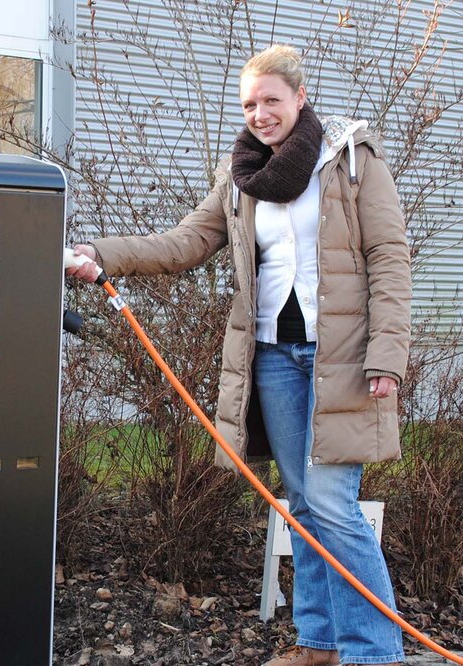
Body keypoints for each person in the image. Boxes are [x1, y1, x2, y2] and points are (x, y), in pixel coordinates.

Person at [68, 44, 409, 666]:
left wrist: (387, 354)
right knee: (301, 504)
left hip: (345, 358)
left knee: (334, 505)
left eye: (271, 100)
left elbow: (389, 257)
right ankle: (319, 643)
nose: (260, 113)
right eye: (249, 103)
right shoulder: (242, 174)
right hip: (274, 357)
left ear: (300, 99)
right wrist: (100, 254)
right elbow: (188, 241)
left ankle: (374, 654)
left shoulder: (351, 160)